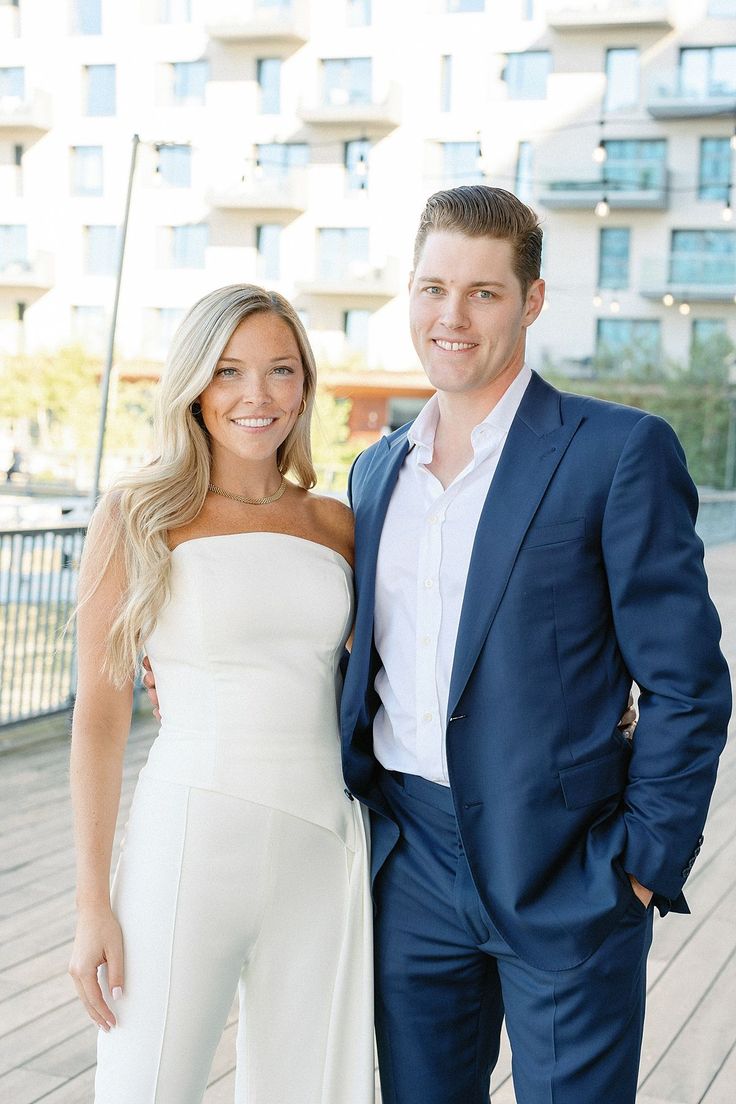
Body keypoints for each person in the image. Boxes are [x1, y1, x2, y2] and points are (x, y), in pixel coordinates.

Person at [337, 187, 731, 1103]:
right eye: (434, 287)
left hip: (571, 869)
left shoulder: (619, 452)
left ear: (533, 300)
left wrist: (640, 865)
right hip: (410, 862)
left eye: (483, 292)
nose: (453, 316)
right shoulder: (374, 470)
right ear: (408, 293)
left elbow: (687, 684)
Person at [68, 284, 374, 1104]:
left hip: (324, 846)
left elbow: (389, 674)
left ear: (305, 385)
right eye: (230, 371)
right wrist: (92, 902)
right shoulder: (136, 515)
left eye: (280, 370)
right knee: (145, 1089)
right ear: (196, 387)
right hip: (188, 841)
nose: (257, 394)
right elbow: (98, 722)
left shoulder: (336, 525)